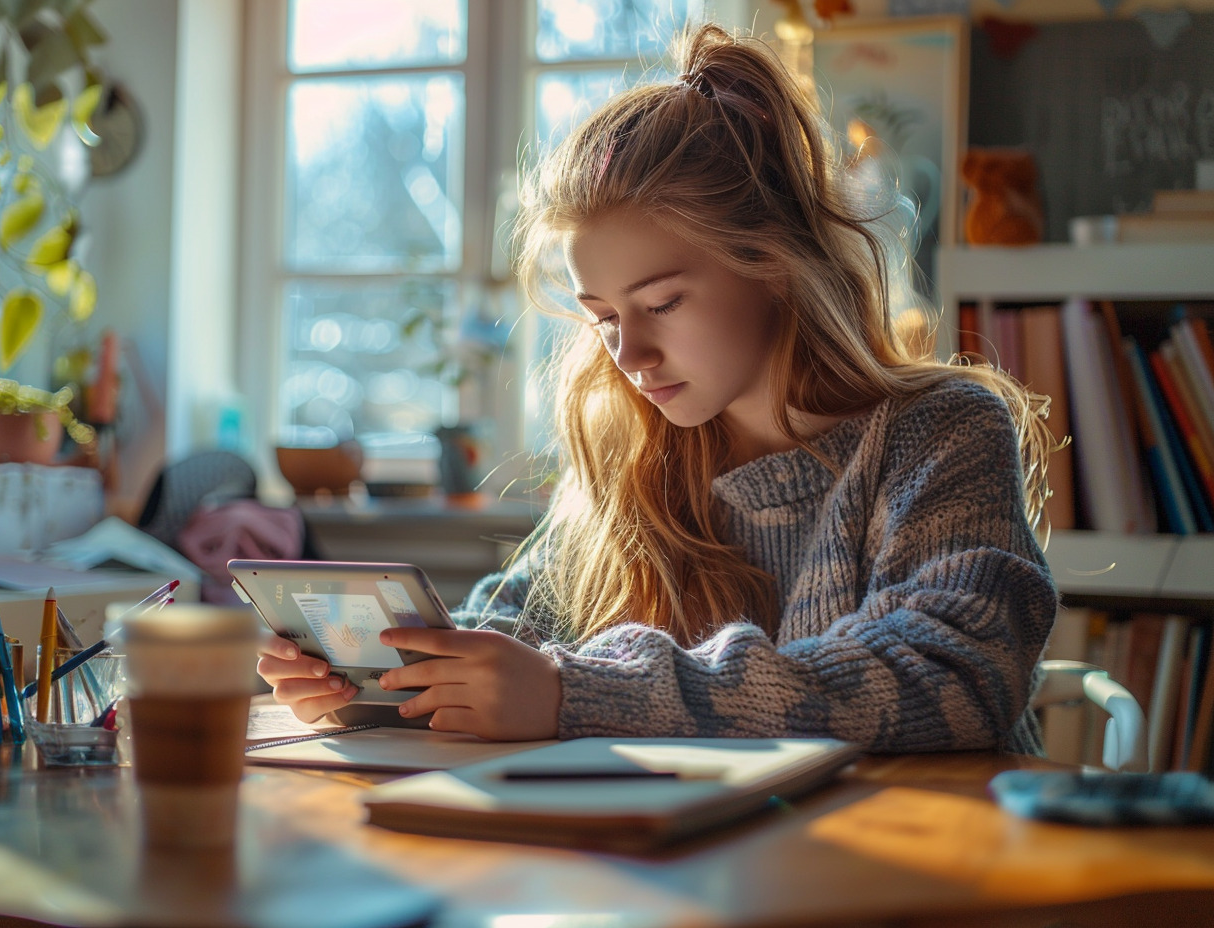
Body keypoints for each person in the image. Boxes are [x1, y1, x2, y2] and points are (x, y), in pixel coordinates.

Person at [257, 23, 1060, 754]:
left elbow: (952, 674)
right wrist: (386, 685)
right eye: (602, 316)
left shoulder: (941, 433)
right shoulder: (631, 460)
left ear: (772, 261)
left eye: (663, 303)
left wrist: (582, 693)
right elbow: (508, 629)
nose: (628, 354)